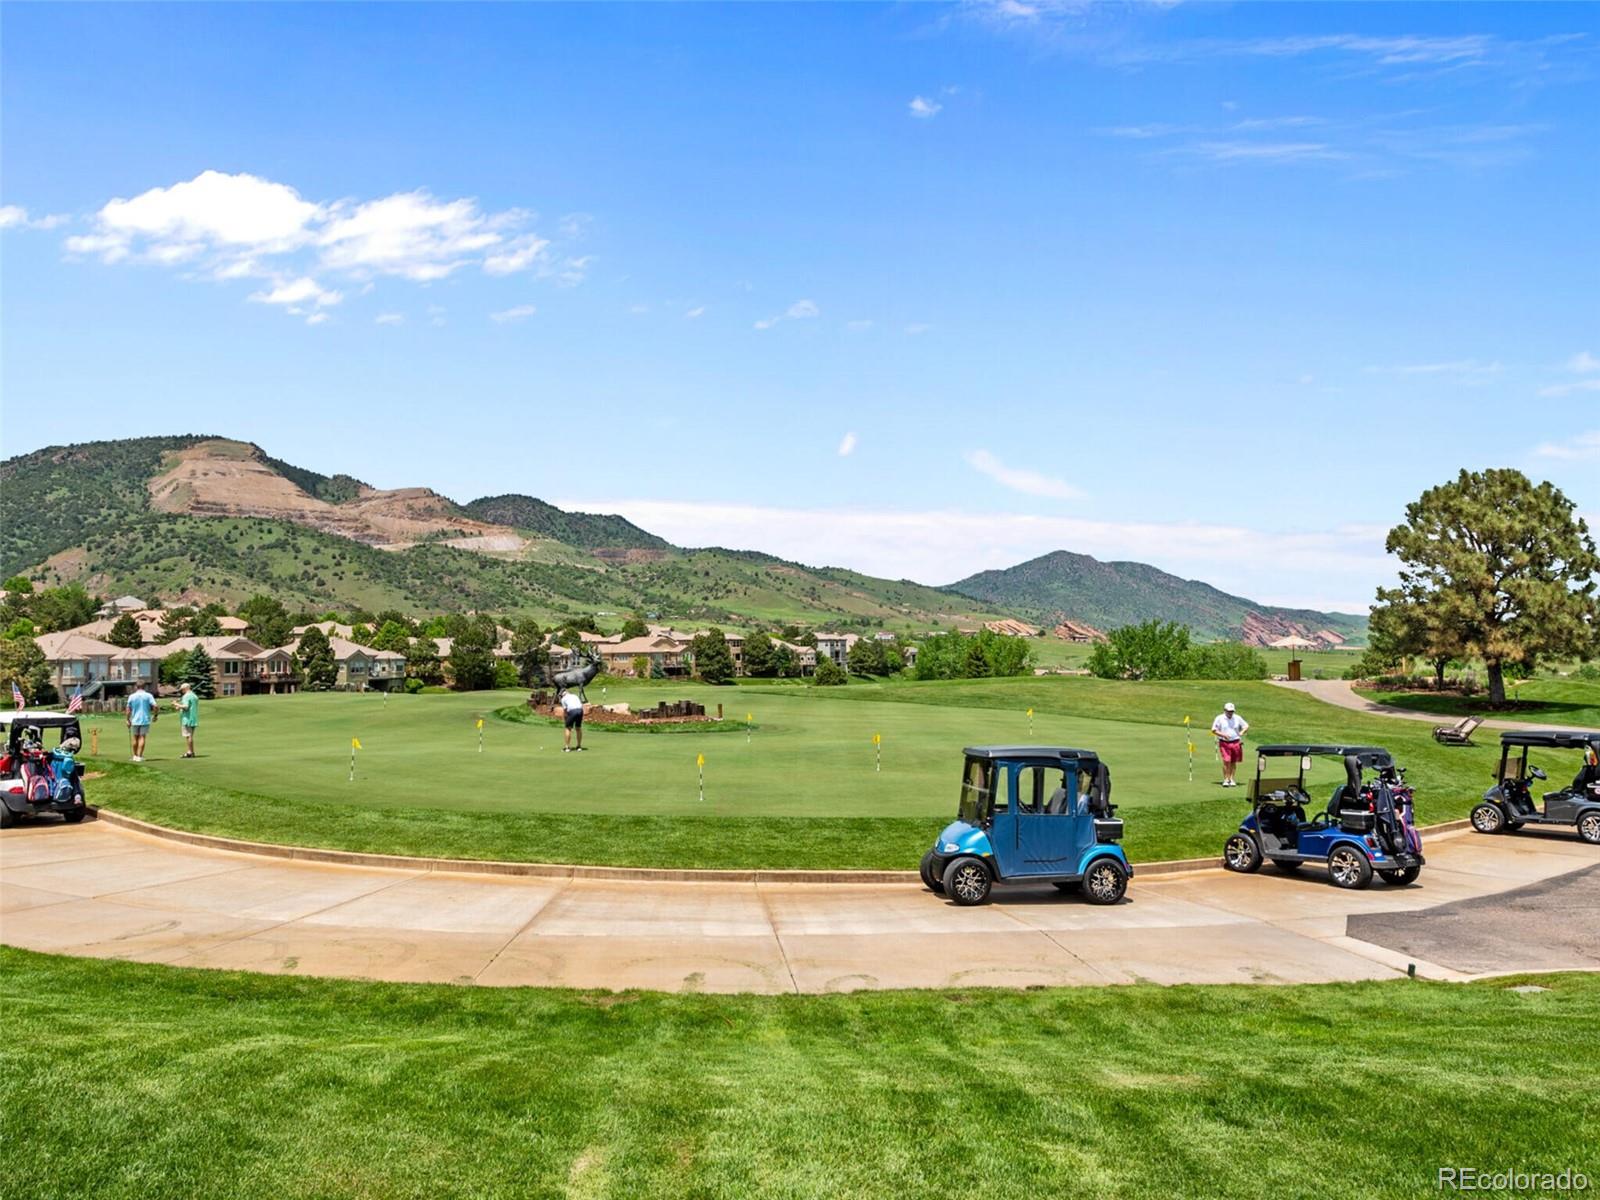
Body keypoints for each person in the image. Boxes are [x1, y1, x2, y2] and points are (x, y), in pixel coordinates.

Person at [1211, 701, 1249, 788]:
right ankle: (1226, 779)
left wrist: (1241, 732)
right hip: (1224, 742)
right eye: (1229, 711)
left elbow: (1246, 726)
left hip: (1236, 742)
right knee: (1226, 761)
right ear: (1225, 710)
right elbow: (1214, 730)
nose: (1230, 713)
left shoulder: (1237, 718)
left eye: (1232, 711)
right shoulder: (1219, 718)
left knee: (1233, 762)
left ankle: (1231, 779)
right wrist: (1223, 735)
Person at [126, 681, 156, 762]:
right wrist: (155, 715)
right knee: (142, 737)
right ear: (145, 687)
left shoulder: (132, 696)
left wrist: (127, 720)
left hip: (135, 719)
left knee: (135, 737)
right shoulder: (148, 695)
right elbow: (155, 706)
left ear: (136, 686)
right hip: (145, 719)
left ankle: (135, 756)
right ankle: (139, 756)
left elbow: (128, 709)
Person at [172, 682, 199, 758]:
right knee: (190, 736)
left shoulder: (186, 696)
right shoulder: (194, 696)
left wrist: (176, 704)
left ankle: (190, 752)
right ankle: (190, 752)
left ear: (185, 689)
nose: (182, 691)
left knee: (188, 736)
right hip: (193, 718)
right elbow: (185, 707)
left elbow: (186, 707)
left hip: (187, 718)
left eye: (182, 690)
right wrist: (178, 706)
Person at [560, 687, 586, 752]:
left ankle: (567, 747)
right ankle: (579, 747)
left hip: (572, 711)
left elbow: (565, 711)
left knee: (568, 728)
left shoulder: (563, 699)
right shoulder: (574, 695)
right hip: (580, 710)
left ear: (563, 694)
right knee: (578, 728)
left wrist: (565, 720)